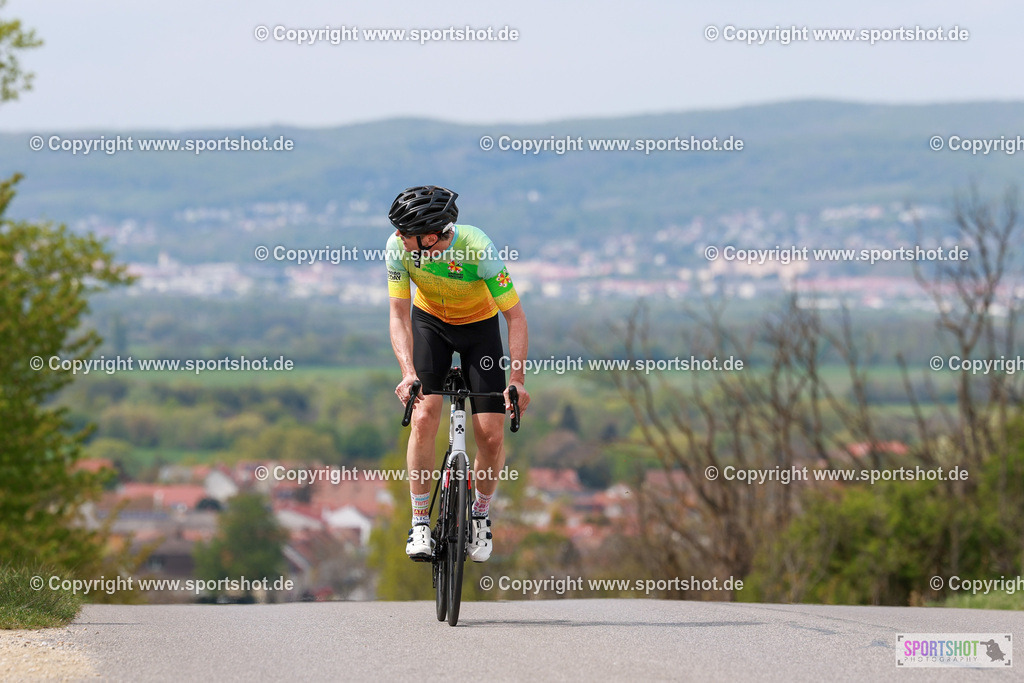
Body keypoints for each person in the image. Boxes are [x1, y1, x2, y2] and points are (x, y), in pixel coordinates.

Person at [386, 185, 530, 563]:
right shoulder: (398, 248)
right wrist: (407, 371)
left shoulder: (478, 248)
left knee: (491, 435)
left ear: (432, 235)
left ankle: (480, 515)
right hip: (429, 324)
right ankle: (419, 522)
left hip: (479, 330)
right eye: (399, 232)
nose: (399, 239)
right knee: (424, 414)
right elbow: (399, 314)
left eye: (407, 233)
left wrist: (517, 380)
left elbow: (514, 317)